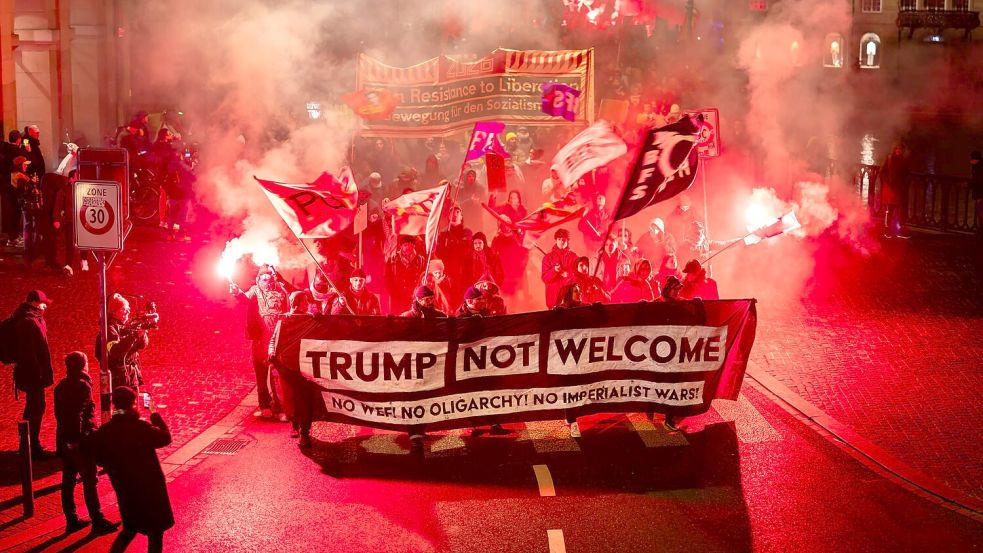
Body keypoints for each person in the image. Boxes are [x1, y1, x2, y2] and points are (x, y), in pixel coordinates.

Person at [90, 386, 173, 553]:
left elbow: (98, 457)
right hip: (150, 489)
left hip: (126, 489)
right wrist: (153, 412)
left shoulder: (106, 431)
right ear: (133, 403)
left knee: (129, 530)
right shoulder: (140, 428)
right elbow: (165, 437)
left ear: (115, 405)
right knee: (155, 533)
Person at [54, 352, 120, 534]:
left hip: (63, 439)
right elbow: (77, 415)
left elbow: (59, 415)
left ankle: (71, 519)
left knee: (68, 480)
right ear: (83, 366)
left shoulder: (60, 387)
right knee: (90, 480)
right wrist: (76, 440)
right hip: (80, 441)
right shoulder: (83, 386)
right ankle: (97, 520)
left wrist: (65, 441)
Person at [231, 267, 290, 419]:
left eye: (267, 274)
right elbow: (245, 298)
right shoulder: (255, 290)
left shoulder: (281, 290)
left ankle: (281, 408)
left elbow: (289, 308)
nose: (265, 277)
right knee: (261, 373)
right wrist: (237, 292)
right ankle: (264, 405)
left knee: (277, 373)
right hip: (260, 337)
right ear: (258, 277)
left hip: (277, 337)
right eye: (262, 275)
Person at [271, 291, 318, 448]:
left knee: (305, 400)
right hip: (288, 366)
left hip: (304, 366)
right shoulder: (284, 319)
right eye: (304, 301)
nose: (307, 303)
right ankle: (294, 425)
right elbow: (274, 338)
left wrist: (319, 318)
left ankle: (305, 432)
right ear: (296, 303)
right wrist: (271, 352)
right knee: (291, 399)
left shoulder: (309, 319)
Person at [10, 290, 55, 457]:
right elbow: (30, 353)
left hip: (33, 373)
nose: (45, 306)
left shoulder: (32, 318)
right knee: (35, 407)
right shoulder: (28, 322)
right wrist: (39, 374)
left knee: (35, 406)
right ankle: (31, 446)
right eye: (43, 303)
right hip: (33, 375)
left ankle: (29, 444)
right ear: (35, 302)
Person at [96, 293, 150, 394]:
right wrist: (134, 336)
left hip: (129, 375)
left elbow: (141, 345)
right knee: (123, 406)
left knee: (133, 405)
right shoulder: (110, 329)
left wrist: (142, 333)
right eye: (124, 309)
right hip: (120, 378)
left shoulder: (123, 327)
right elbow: (116, 351)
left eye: (128, 308)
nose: (128, 311)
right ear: (114, 312)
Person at [435, 204, 473, 304]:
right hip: (448, 273)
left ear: (461, 216)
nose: (455, 214)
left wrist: (452, 241)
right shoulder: (443, 234)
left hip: (464, 273)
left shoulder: (467, 232)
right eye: (452, 212)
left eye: (457, 212)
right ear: (448, 216)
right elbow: (439, 253)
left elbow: (465, 250)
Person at [385, 235, 425, 314]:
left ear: (414, 246)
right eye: (405, 245)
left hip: (415, 298)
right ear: (401, 246)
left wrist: (419, 294)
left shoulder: (421, 261)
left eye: (410, 245)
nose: (408, 247)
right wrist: (393, 293)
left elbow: (424, 278)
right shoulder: (393, 260)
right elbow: (387, 279)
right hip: (397, 299)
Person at [541, 228, 579, 308]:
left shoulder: (574, 257)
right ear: (556, 240)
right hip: (554, 301)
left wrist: (568, 275)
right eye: (559, 239)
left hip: (570, 301)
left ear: (568, 241)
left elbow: (579, 277)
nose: (561, 241)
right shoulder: (547, 258)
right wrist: (554, 270)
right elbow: (545, 278)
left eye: (564, 239)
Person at [880, 144, 910, 239]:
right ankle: (887, 230)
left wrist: (904, 184)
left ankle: (899, 230)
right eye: (897, 149)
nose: (898, 150)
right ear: (894, 149)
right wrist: (888, 182)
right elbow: (882, 172)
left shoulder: (904, 160)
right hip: (890, 189)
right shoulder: (889, 159)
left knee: (900, 210)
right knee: (889, 210)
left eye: (900, 149)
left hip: (899, 189)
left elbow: (906, 174)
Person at [971, 150, 982, 241]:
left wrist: (979, 197)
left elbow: (979, 183)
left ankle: (980, 233)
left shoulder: (978, 168)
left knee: (981, 214)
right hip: (979, 196)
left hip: (980, 196)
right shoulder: (977, 166)